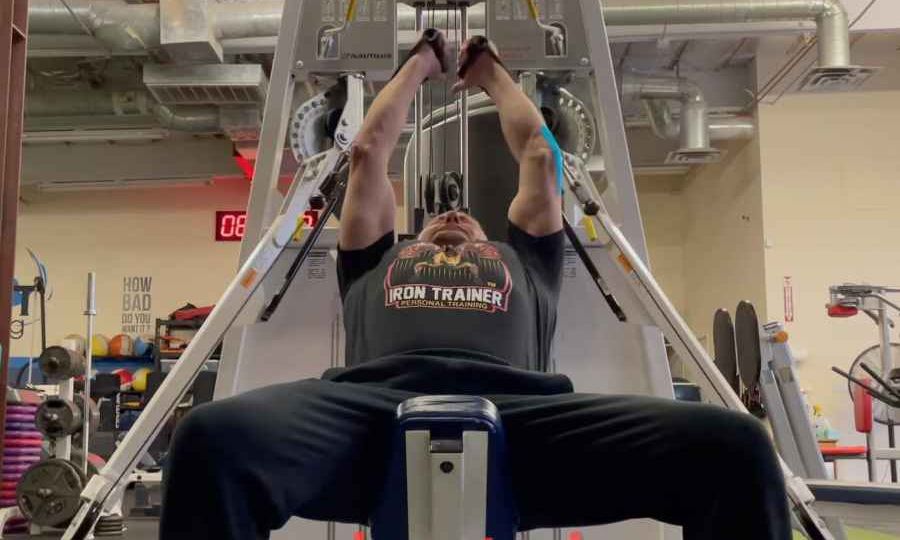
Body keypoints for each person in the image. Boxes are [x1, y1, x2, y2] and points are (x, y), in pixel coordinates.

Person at [161, 30, 790, 540]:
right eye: (437, 217)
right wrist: (419, 64)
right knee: (211, 439)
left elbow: (541, 158)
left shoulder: (529, 261)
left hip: (529, 419)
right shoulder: (374, 259)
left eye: (467, 217)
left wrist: (489, 73)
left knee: (735, 447)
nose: (453, 215)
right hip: (365, 415)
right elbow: (367, 153)